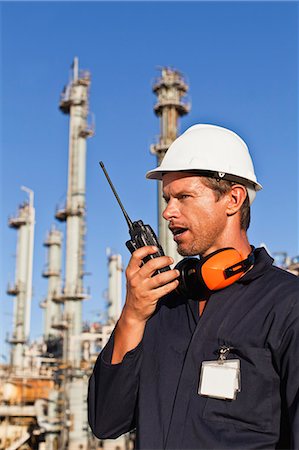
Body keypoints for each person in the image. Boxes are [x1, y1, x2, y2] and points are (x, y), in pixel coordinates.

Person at [88, 124, 299, 449]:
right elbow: (106, 422)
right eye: (167, 198)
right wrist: (132, 315)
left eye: (184, 197)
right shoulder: (163, 305)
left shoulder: (287, 304)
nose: (168, 212)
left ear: (233, 198)